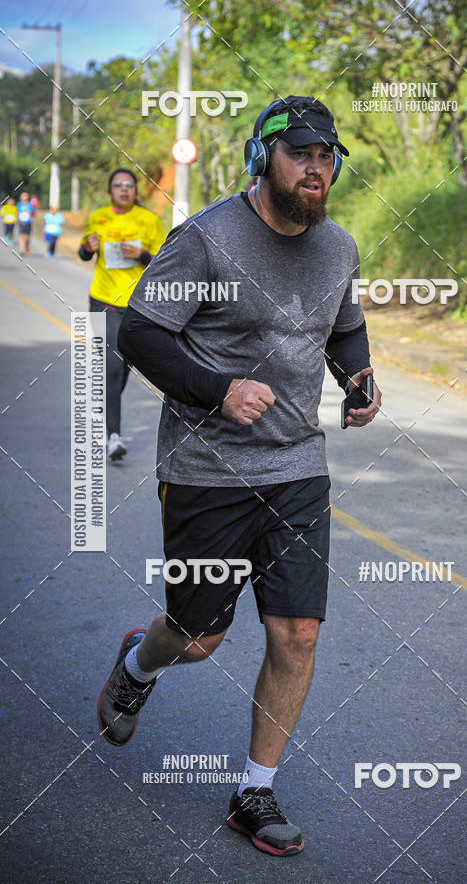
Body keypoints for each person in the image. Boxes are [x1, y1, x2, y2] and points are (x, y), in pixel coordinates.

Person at [97, 96, 381, 856]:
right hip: (207, 472)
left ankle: (255, 789)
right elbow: (140, 333)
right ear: (263, 159)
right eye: (300, 154)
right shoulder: (205, 239)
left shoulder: (338, 247)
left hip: (298, 468)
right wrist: (217, 390)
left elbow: (344, 326)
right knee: (198, 638)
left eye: (326, 156)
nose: (316, 168)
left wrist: (358, 377)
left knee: (298, 634)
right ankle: (139, 662)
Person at [78, 168, 166, 461]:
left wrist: (140, 255)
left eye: (129, 185)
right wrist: (85, 248)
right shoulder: (98, 217)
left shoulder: (150, 220)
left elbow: (163, 263)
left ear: (136, 191)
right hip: (102, 300)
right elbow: (85, 253)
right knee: (113, 366)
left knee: (123, 366)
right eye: (118, 185)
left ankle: (103, 408)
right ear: (110, 190)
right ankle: (113, 437)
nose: (124, 189)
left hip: (139, 305)